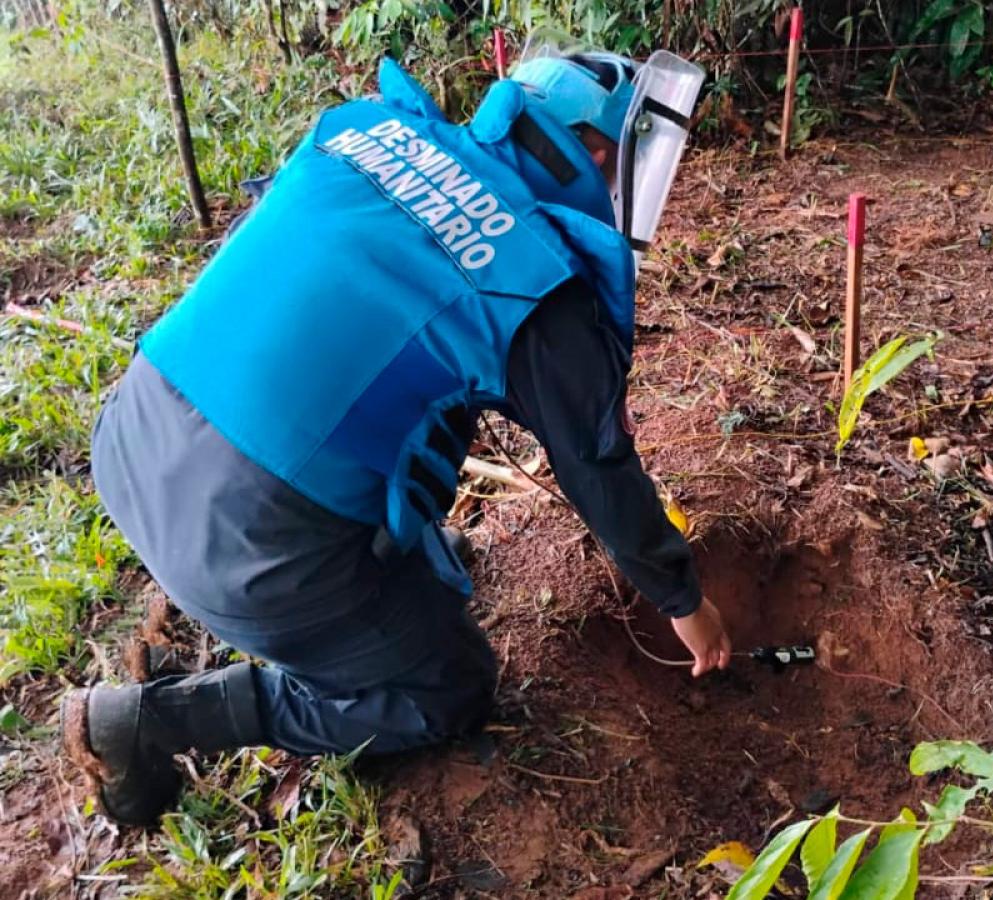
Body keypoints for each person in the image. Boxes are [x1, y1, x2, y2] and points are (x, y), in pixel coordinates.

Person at [63, 41, 732, 827]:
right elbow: (599, 468)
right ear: (589, 151)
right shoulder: (537, 279)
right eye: (621, 164)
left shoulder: (370, 133)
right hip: (250, 538)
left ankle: (356, 598)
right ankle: (158, 720)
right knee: (449, 689)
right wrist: (684, 601)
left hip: (134, 436)